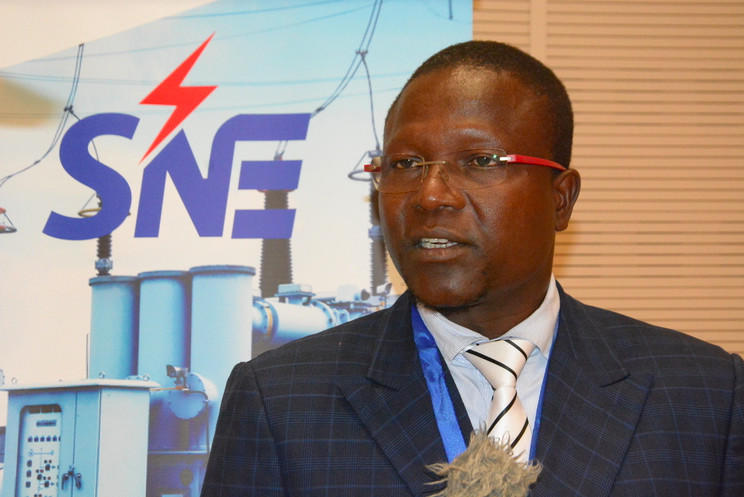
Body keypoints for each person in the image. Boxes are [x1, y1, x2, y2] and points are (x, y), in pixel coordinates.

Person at [200, 41, 744, 496]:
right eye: (405, 164)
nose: (430, 195)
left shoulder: (705, 395)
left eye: (481, 161)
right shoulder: (280, 401)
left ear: (561, 198)